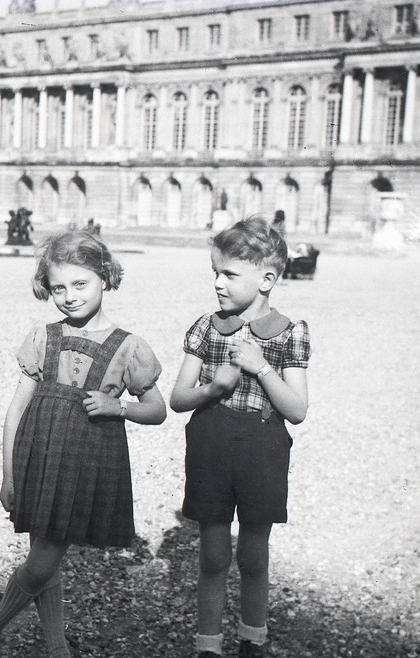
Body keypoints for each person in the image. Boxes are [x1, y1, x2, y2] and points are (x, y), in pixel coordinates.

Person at [0, 230, 168, 657]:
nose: (69, 296)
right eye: (58, 287)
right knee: (45, 555)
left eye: (80, 284)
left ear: (104, 278)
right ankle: (57, 649)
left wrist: (117, 406)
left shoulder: (129, 347)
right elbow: (15, 410)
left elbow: (158, 409)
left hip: (88, 465)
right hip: (40, 454)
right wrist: (9, 475)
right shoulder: (42, 338)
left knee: (44, 559)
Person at [170, 216, 310, 658]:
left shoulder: (291, 332)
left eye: (229, 274)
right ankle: (207, 646)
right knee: (212, 556)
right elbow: (177, 398)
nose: (217, 283)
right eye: (215, 272)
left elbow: (297, 410)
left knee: (252, 554)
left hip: (263, 450)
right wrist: (216, 387)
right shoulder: (206, 328)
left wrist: (260, 367)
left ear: (267, 278)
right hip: (210, 445)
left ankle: (253, 640)